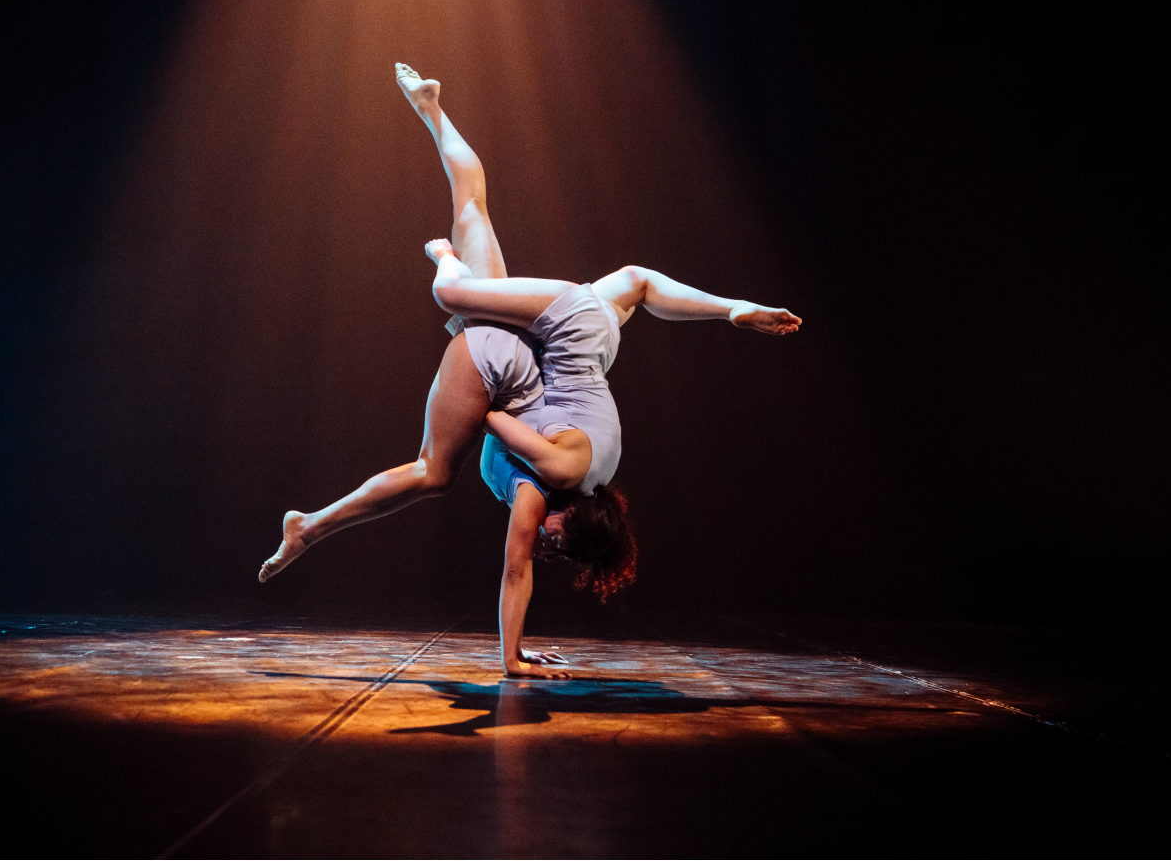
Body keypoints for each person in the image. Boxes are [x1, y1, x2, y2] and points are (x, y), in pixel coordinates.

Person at [258, 64, 801, 679]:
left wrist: (731, 308)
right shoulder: (556, 475)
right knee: (437, 449)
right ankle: (443, 264)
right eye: (560, 540)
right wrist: (513, 660)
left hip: (570, 335)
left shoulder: (595, 470)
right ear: (575, 513)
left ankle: (431, 110)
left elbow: (641, 286)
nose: (549, 542)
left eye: (555, 548)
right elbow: (506, 493)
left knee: (476, 206)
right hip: (545, 334)